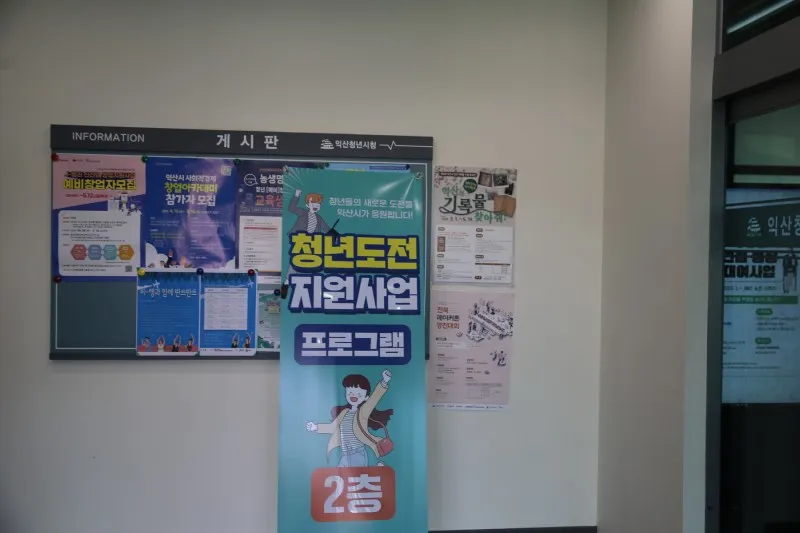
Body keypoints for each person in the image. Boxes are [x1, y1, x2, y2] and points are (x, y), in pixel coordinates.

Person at [305, 370, 393, 467]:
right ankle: (378, 468)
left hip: (358, 453)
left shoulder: (362, 411)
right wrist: (315, 427)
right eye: (350, 392)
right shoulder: (344, 412)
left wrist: (384, 382)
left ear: (366, 397)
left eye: (359, 394)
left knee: (360, 475)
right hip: (345, 455)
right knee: (339, 475)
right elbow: (332, 427)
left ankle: (379, 469)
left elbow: (373, 400)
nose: (353, 395)